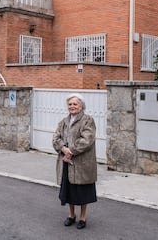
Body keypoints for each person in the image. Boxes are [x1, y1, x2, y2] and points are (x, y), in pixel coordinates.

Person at [52, 93, 97, 230]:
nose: (72, 106)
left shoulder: (87, 120)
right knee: (69, 190)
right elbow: (55, 138)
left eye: (75, 104)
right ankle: (71, 215)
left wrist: (70, 151)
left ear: (81, 105)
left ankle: (83, 217)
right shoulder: (63, 122)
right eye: (70, 104)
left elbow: (87, 140)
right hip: (66, 162)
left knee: (82, 191)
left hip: (82, 163)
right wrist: (63, 149)